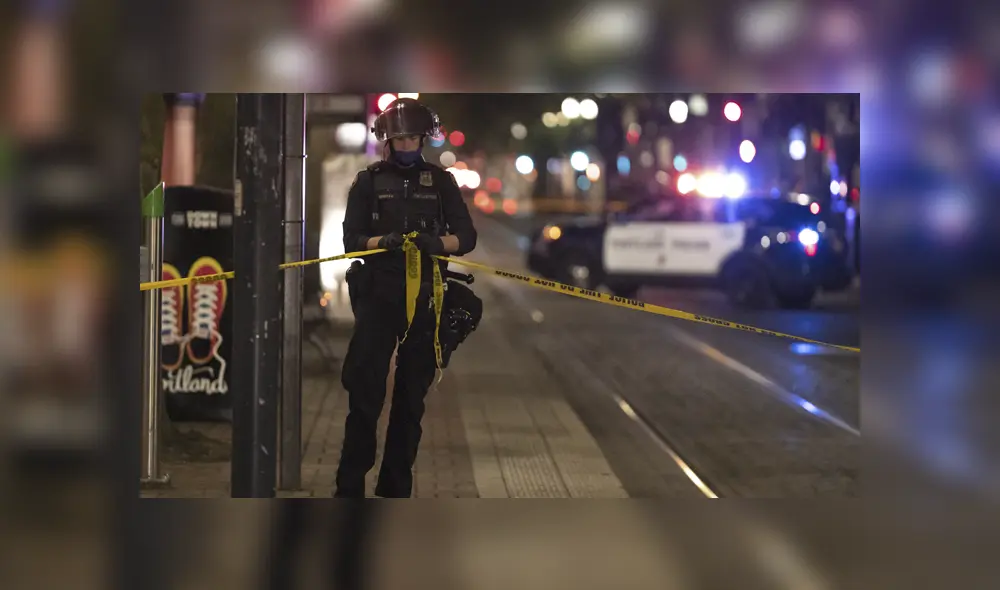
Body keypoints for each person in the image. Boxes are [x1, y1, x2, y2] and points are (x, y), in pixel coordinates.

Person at [335, 97, 477, 498]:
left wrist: (438, 243)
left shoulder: (442, 182)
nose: (407, 144)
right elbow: (351, 241)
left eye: (413, 137)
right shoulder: (368, 182)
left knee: (410, 401)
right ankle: (348, 488)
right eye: (400, 138)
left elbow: (466, 237)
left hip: (427, 299)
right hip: (379, 295)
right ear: (388, 140)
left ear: (424, 138)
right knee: (365, 396)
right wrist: (384, 242)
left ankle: (395, 489)